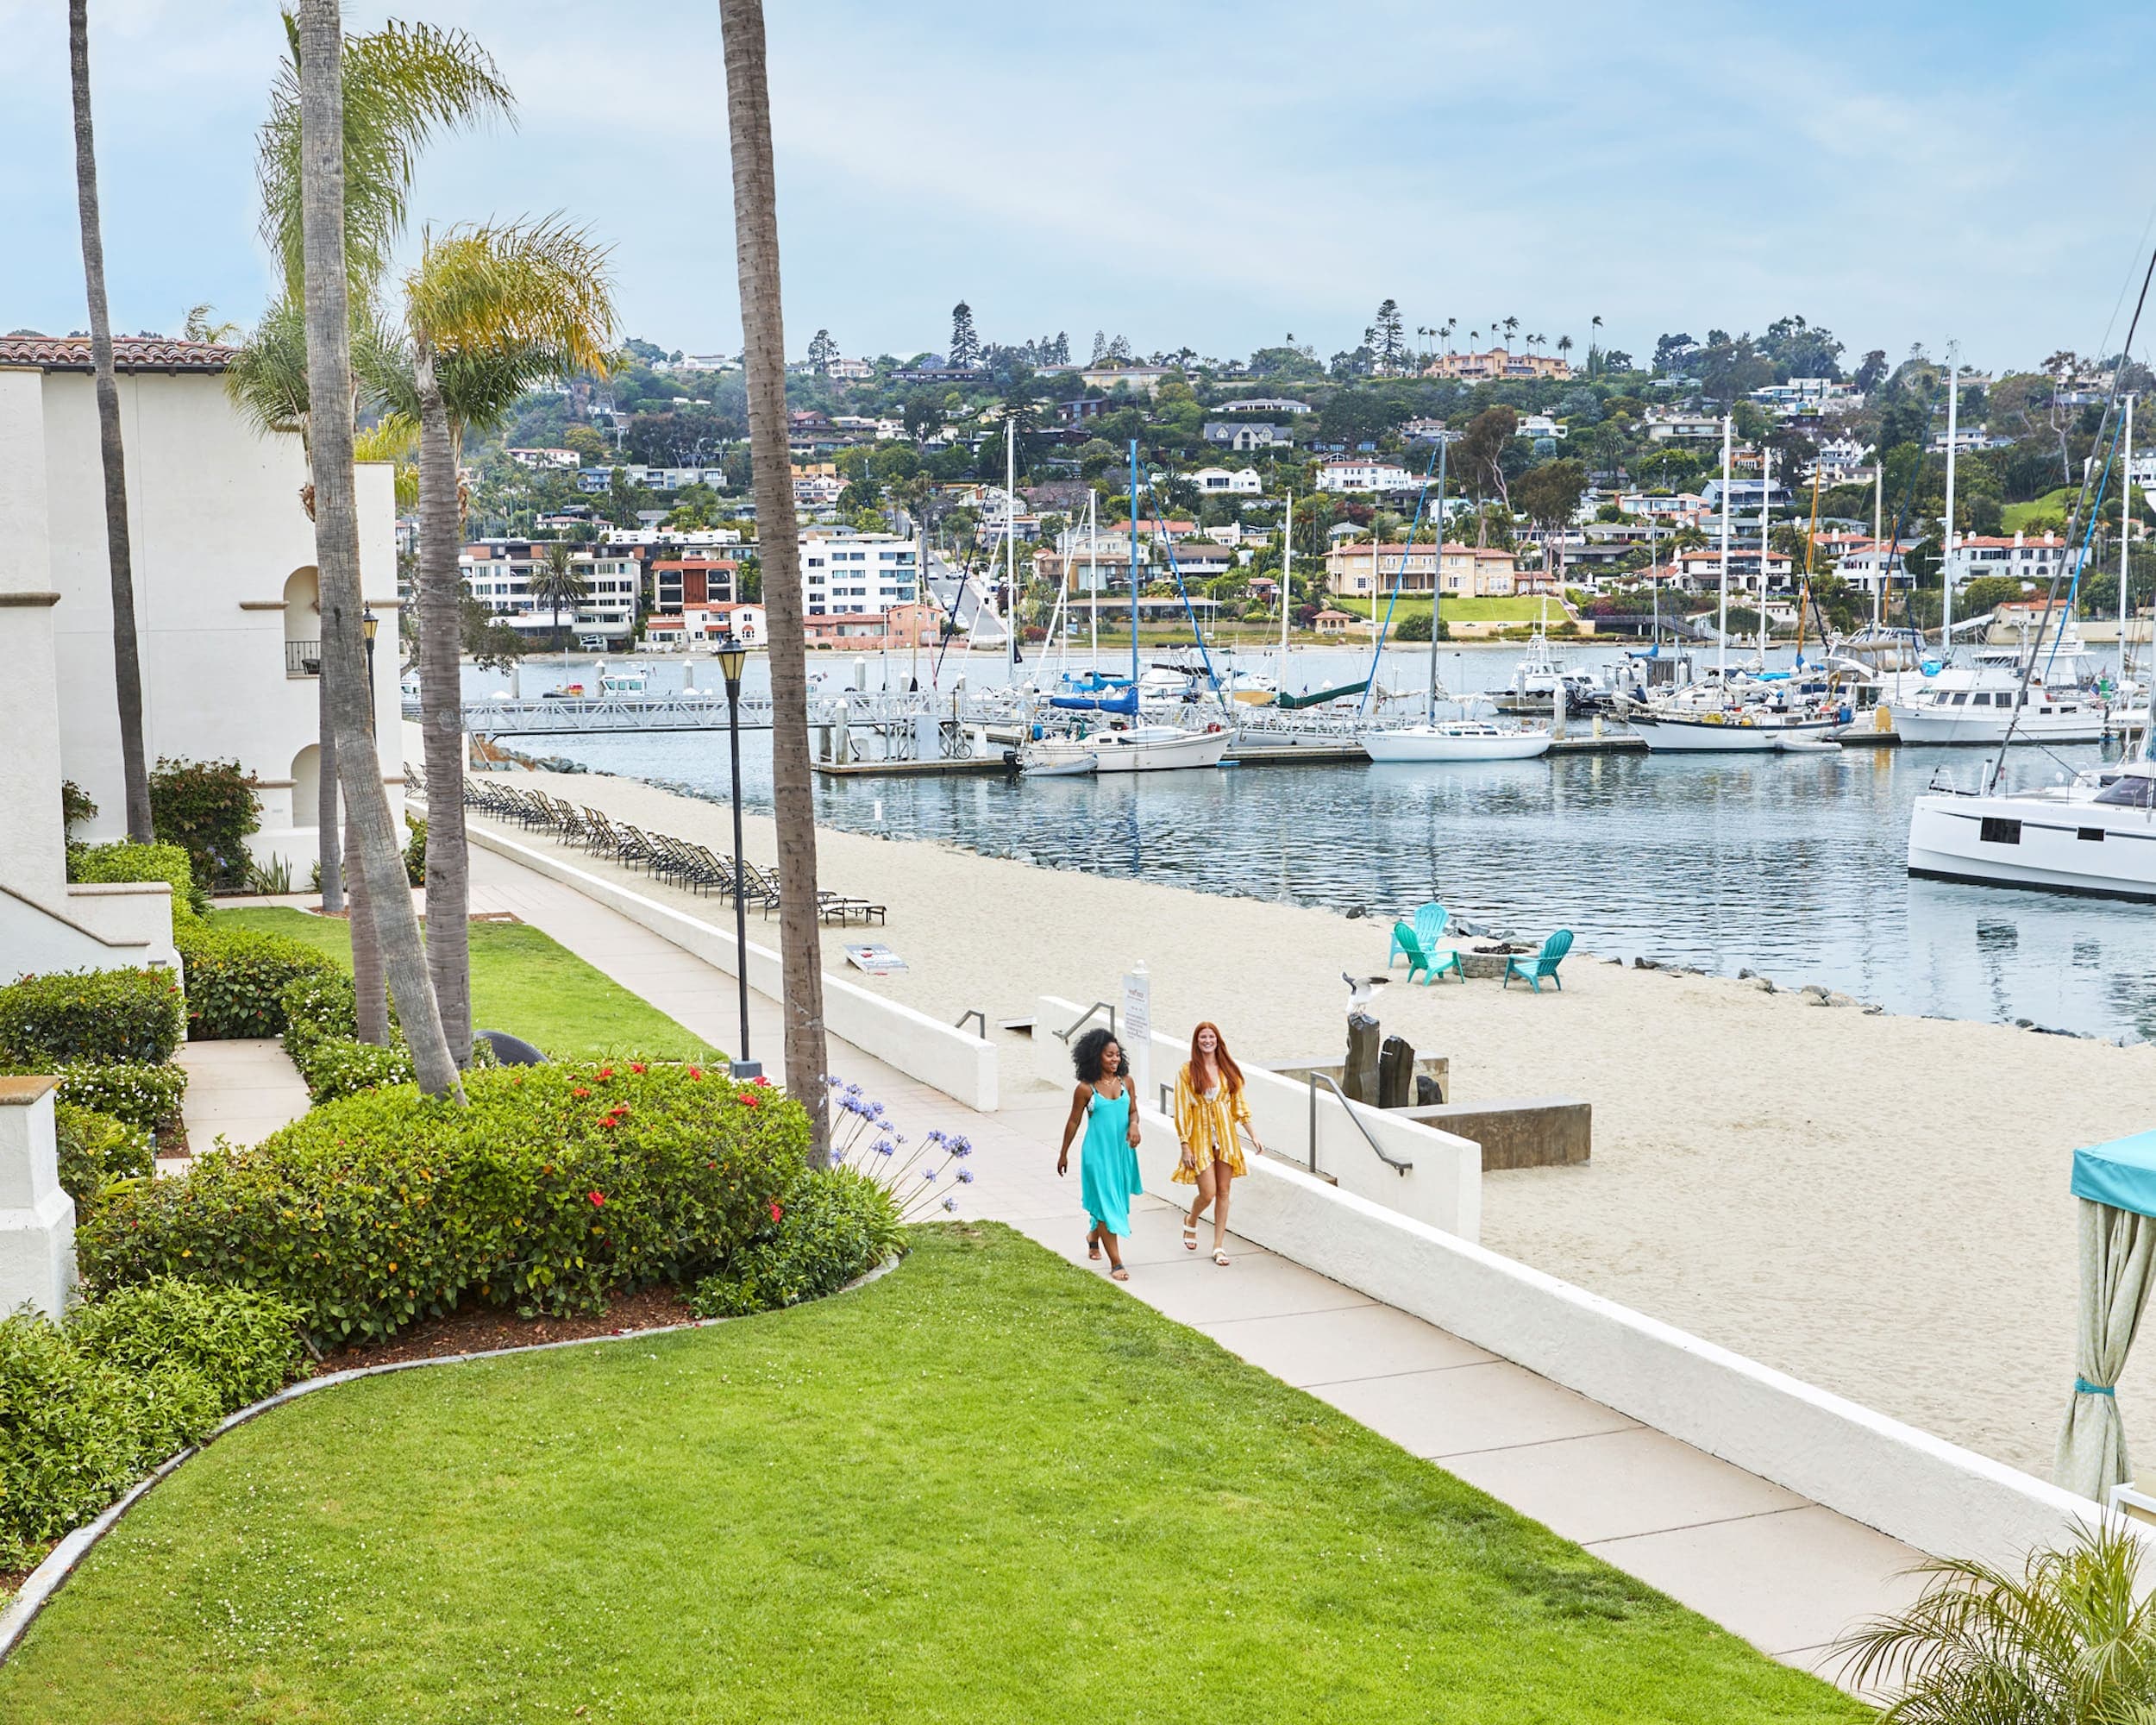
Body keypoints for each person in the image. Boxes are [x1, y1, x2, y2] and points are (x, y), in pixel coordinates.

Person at [1056, 1026, 1142, 1281]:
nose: (1115, 1060)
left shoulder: (1126, 1082)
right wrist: (1063, 1154)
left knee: (1116, 1203)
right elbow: (1073, 1122)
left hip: (1122, 1153)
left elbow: (1133, 1112)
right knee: (1106, 1205)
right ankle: (1116, 1263)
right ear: (1096, 1057)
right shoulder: (1085, 1089)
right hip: (1097, 1156)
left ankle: (1093, 1236)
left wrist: (1135, 1125)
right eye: (1109, 1055)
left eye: (1117, 1055)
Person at [1175, 1021, 1260, 1266]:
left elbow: (1239, 1106)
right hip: (1199, 1139)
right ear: (1197, 1041)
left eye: (1211, 1036)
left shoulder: (1227, 1070)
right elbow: (1181, 1109)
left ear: (1217, 1040)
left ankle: (1218, 1246)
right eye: (1203, 1037)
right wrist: (1184, 1144)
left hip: (1225, 1138)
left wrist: (1253, 1135)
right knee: (1208, 1192)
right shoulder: (1187, 1071)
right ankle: (1191, 1219)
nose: (1207, 1040)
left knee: (1224, 1192)